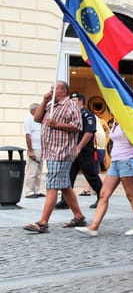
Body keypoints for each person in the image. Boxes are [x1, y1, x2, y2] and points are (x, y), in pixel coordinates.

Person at [23, 81, 86, 233]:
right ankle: (79, 217)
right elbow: (37, 118)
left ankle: (43, 222)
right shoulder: (50, 104)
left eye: (54, 88)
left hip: (61, 151)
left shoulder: (71, 105)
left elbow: (78, 126)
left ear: (63, 91)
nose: (51, 90)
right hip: (51, 151)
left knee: (52, 185)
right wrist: (44, 100)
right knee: (64, 185)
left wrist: (57, 124)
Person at [76, 119, 133, 237]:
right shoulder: (115, 122)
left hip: (126, 161)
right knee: (103, 194)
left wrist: (128, 129)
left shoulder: (128, 121)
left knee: (131, 195)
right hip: (115, 162)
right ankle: (94, 226)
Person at [55, 92, 103, 210]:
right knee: (68, 175)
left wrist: (79, 147)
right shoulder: (72, 115)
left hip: (84, 150)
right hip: (71, 150)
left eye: (74, 100)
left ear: (80, 101)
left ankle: (102, 198)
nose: (71, 102)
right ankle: (65, 200)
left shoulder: (87, 115)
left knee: (91, 175)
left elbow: (89, 132)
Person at [23, 103, 44, 198]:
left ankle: (37, 190)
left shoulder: (40, 120)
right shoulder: (29, 119)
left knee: (39, 171)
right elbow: (28, 135)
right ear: (33, 111)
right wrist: (30, 150)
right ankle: (29, 191)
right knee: (32, 171)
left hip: (41, 148)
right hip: (34, 148)